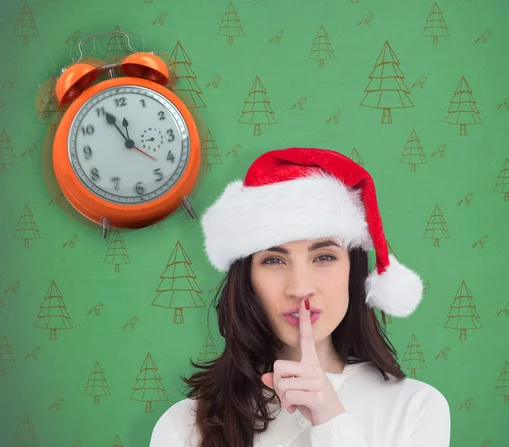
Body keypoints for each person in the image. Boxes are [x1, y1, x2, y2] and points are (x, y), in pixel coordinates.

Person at [149, 147, 451, 446]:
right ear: (246, 280)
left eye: (324, 257)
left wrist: (332, 421)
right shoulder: (186, 424)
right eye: (273, 260)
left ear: (353, 272)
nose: (300, 288)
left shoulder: (416, 407)